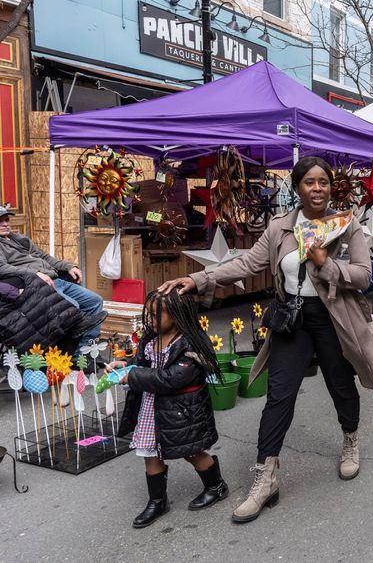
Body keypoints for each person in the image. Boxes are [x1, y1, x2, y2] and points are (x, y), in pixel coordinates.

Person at [159, 156, 373, 524]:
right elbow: (248, 263)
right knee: (279, 396)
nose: (318, 188)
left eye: (324, 182)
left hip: (333, 319)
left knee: (341, 385)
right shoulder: (280, 227)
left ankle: (350, 439)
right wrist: (199, 279)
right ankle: (265, 477)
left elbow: (362, 276)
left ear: (331, 187)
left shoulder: (347, 225)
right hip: (292, 318)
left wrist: (324, 262)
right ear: (297, 188)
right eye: (310, 182)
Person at [114, 289, 226, 529]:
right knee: (150, 453)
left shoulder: (192, 343)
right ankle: (157, 501)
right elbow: (143, 363)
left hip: (181, 412)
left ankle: (216, 486)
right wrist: (125, 364)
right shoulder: (151, 338)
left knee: (191, 451)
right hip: (152, 407)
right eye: (148, 315)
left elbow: (171, 379)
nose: (150, 320)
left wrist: (133, 376)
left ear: (176, 315)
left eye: (156, 315)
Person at [0, 206, 103, 352]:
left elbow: (45, 257)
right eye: (0, 221)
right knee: (73, 308)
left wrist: (68, 266)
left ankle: (85, 351)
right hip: (37, 287)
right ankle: (71, 355)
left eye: (6, 220)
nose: (5, 224)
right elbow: (2, 268)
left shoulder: (20, 239)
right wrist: (35, 273)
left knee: (95, 301)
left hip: (55, 279)